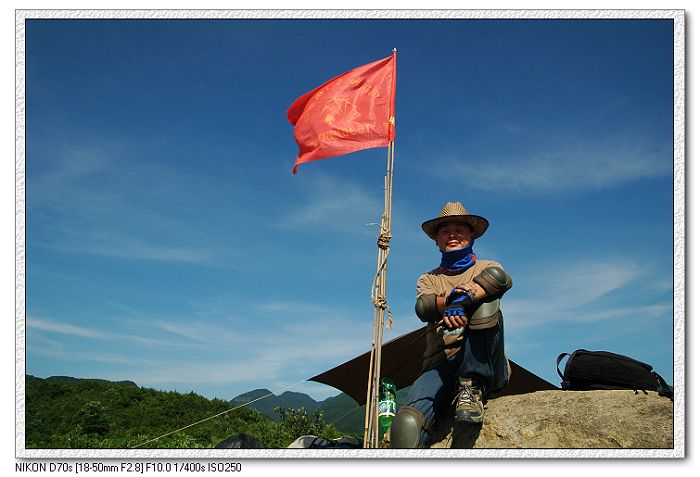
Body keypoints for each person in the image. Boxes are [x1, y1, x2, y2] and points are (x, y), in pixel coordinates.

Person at [389, 201, 513, 448]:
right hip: (441, 363)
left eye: (460, 228)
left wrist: (465, 300)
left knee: (484, 301)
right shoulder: (429, 278)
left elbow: (500, 280)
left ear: (472, 236)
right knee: (406, 425)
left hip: (485, 359)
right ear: (436, 240)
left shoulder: (486, 266)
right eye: (445, 230)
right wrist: (452, 300)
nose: (453, 234)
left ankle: (472, 386)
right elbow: (423, 308)